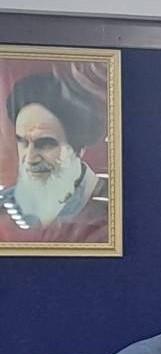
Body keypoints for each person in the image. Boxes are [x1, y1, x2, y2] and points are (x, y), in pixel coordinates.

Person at [0, 72, 108, 243]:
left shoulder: (109, 209)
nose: (30, 158)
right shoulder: (5, 207)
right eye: (22, 142)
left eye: (45, 144)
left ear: (78, 148)